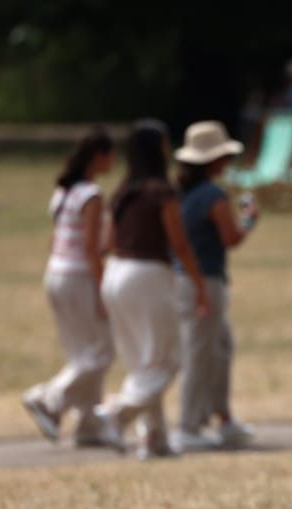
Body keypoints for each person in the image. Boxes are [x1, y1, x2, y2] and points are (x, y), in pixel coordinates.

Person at [94, 119, 209, 459]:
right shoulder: (162, 191)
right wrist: (198, 284)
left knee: (143, 363)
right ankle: (118, 412)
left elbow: (108, 242)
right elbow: (180, 244)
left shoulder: (122, 192)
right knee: (167, 361)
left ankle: (154, 438)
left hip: (115, 275)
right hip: (147, 275)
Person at [22, 126, 116, 447]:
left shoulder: (62, 193)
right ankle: (48, 398)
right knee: (102, 351)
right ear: (100, 156)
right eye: (111, 155)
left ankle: (88, 426)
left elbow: (57, 238)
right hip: (79, 277)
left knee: (81, 353)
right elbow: (91, 248)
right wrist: (103, 290)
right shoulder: (91, 195)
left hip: (56, 273)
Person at [171, 121, 259, 451]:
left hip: (186, 279)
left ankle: (223, 417)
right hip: (203, 281)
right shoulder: (213, 195)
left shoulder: (183, 194)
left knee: (220, 348)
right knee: (199, 355)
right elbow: (231, 237)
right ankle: (188, 426)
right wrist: (248, 219)